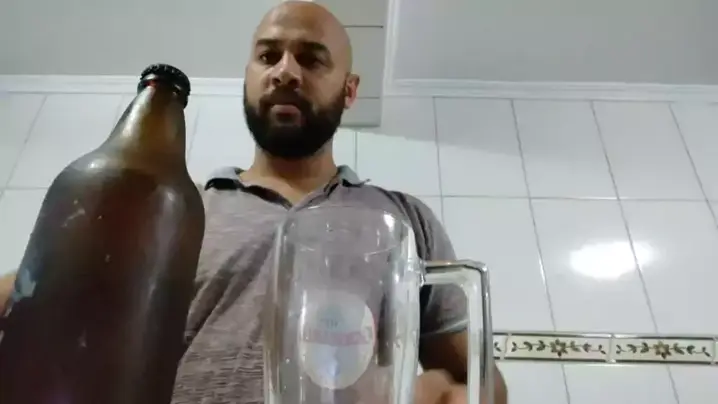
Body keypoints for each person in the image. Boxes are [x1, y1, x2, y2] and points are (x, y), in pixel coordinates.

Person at [0, 2, 507, 403]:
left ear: (350, 90)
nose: (285, 72)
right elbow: (46, 294)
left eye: (311, 58)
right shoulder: (178, 211)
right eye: (268, 57)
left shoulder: (403, 220)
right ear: (247, 77)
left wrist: (450, 394)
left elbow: (480, 381)